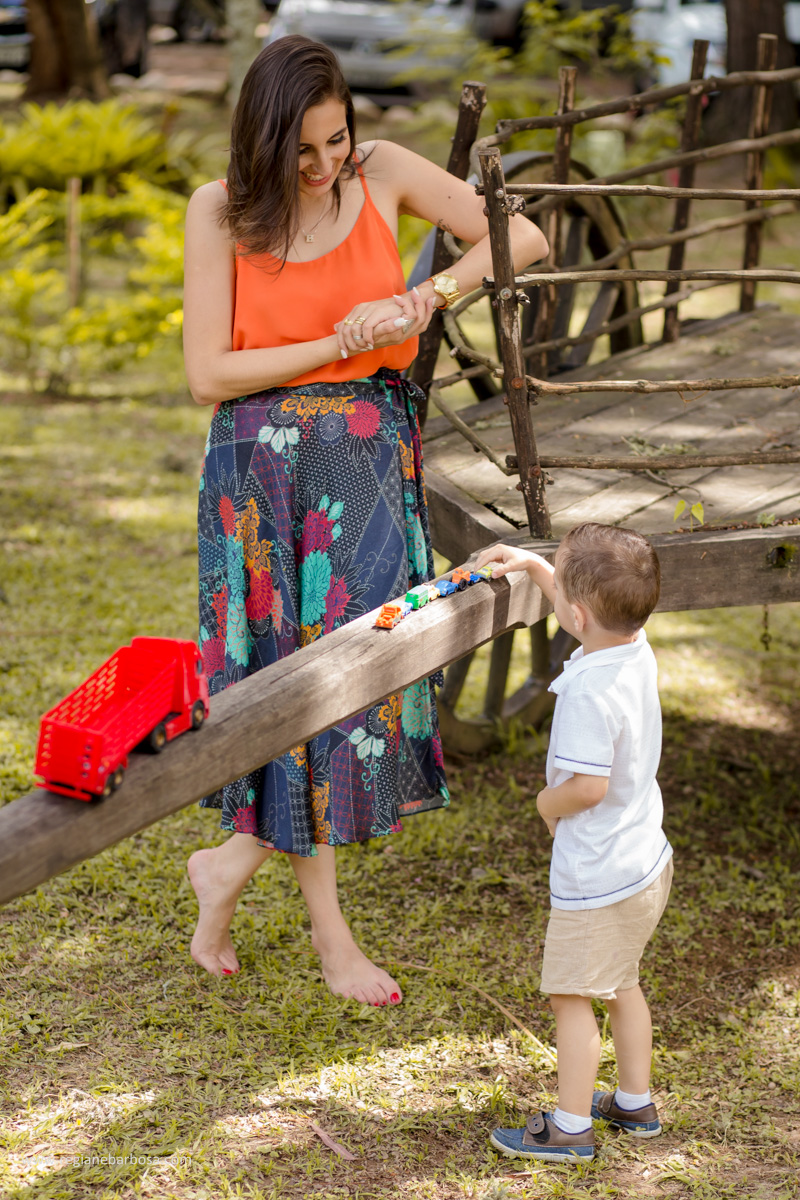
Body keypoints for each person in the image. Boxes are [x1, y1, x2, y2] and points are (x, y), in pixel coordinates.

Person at [182, 35, 549, 1007]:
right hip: (258, 473)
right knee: (282, 688)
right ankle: (330, 935)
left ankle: (229, 866)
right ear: (259, 142)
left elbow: (525, 236)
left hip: (363, 453)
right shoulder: (219, 212)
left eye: (333, 141)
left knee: (354, 683)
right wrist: (327, 341)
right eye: (297, 152)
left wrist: (421, 298)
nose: (320, 167)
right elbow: (207, 373)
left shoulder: (379, 171)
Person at [474, 524, 673, 1162]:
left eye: (561, 591)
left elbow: (587, 787)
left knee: (572, 997)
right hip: (643, 861)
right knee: (623, 984)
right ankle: (635, 1104)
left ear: (576, 616)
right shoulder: (633, 646)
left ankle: (568, 1127)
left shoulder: (589, 691)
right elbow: (579, 603)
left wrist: (544, 804)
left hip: (598, 876)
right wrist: (535, 567)